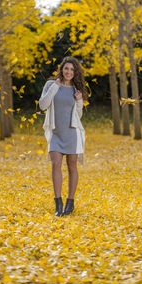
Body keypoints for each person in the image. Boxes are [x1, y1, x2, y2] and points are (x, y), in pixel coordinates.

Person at [39, 56, 87, 216]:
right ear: (62, 69)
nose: (69, 72)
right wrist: (55, 87)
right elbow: (43, 105)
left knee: (72, 167)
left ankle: (70, 203)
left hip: (72, 133)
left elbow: (78, 115)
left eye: (72, 70)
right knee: (55, 164)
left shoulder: (76, 89)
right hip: (56, 133)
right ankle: (58, 203)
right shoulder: (51, 84)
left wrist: (79, 101)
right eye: (66, 68)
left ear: (75, 72)